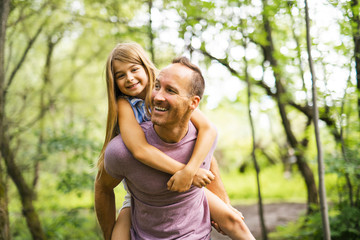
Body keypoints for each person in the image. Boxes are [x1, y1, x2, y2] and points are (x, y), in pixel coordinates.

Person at [95, 43, 255, 239]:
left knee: (234, 221)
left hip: (186, 186)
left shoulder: (170, 93)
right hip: (140, 195)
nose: (129, 78)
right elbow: (140, 150)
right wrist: (185, 171)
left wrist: (191, 172)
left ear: (146, 68)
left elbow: (208, 131)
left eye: (134, 69)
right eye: (120, 75)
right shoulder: (124, 105)